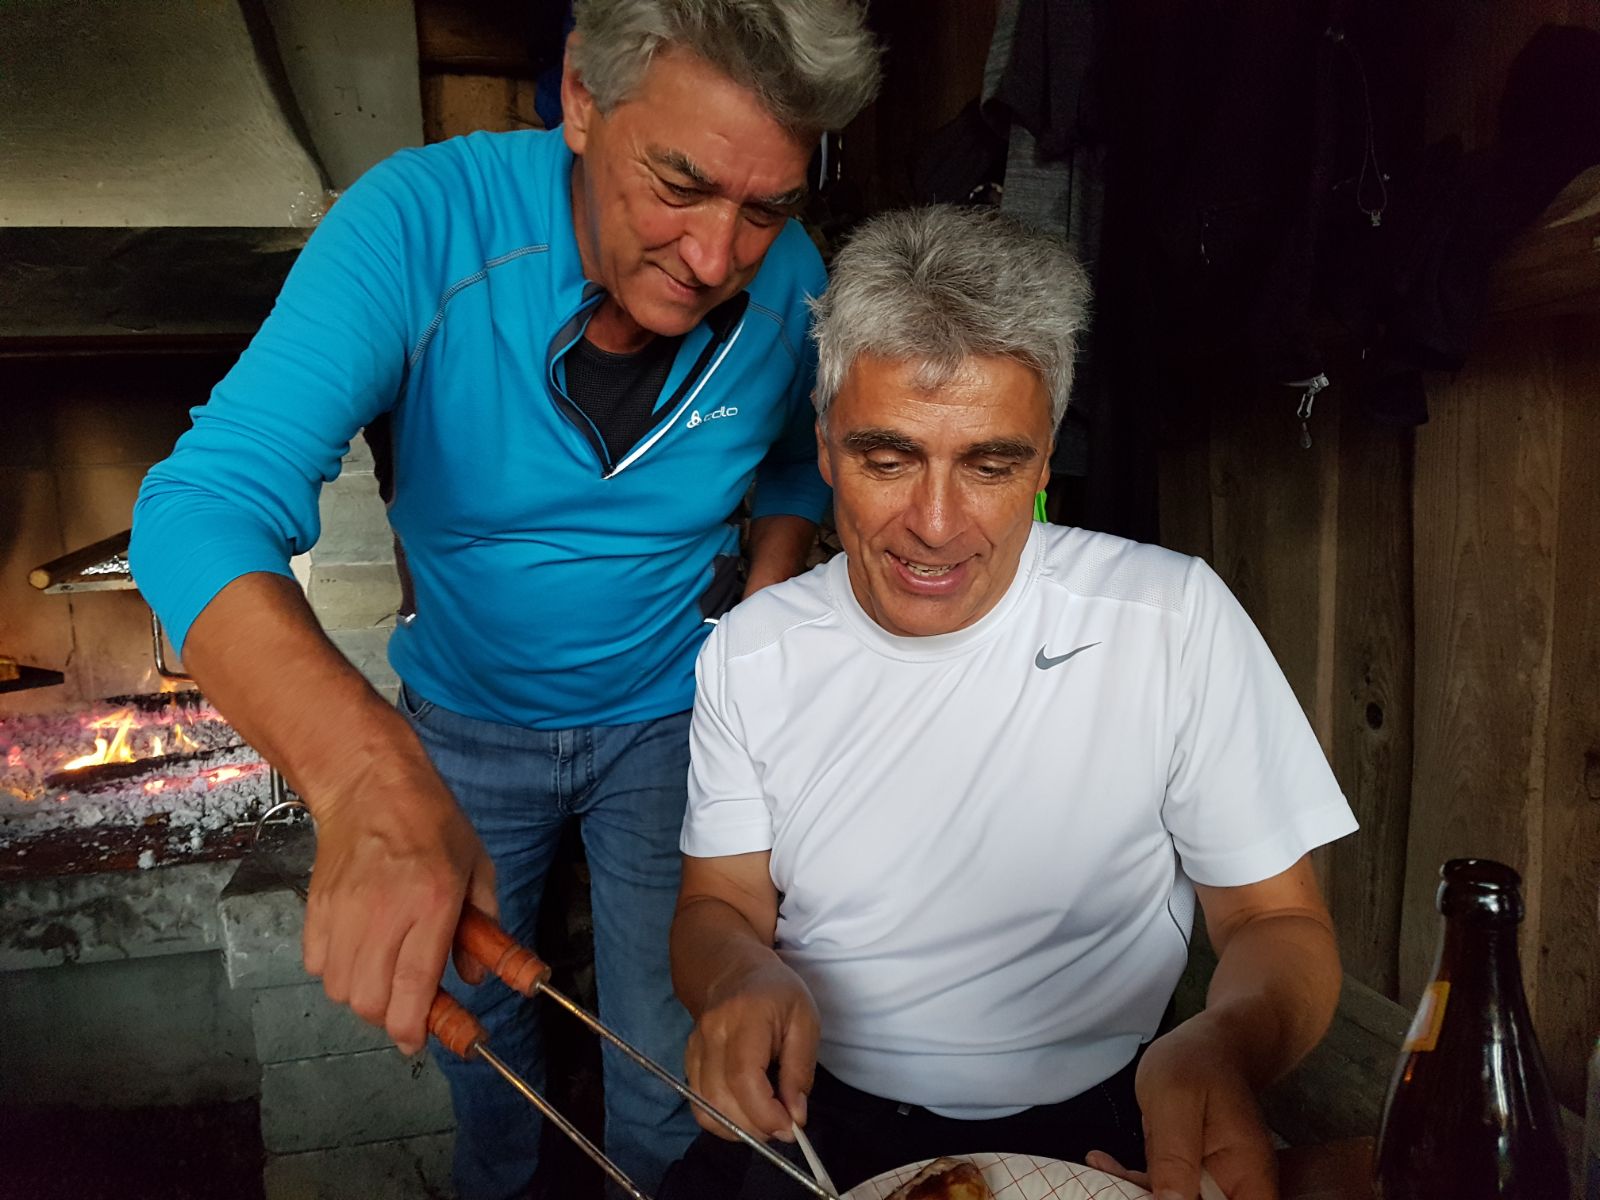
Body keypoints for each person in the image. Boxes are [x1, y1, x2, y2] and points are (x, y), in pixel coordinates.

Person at [128, 3, 881, 1196]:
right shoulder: (421, 223)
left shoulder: (790, 280)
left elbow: (799, 455)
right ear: (580, 96)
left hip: (672, 724)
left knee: (666, 1043)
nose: (713, 257)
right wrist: (363, 773)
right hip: (463, 729)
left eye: (764, 207)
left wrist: (764, 604)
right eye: (680, 185)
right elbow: (197, 505)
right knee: (479, 1035)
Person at [662, 205, 1359, 1200]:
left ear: (1044, 459)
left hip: (1107, 1114)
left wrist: (1223, 1045)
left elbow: (1275, 921)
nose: (936, 524)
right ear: (822, 450)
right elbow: (719, 904)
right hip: (817, 1109)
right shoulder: (752, 649)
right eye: (887, 459)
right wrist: (740, 976)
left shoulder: (1167, 618)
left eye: (991, 466)